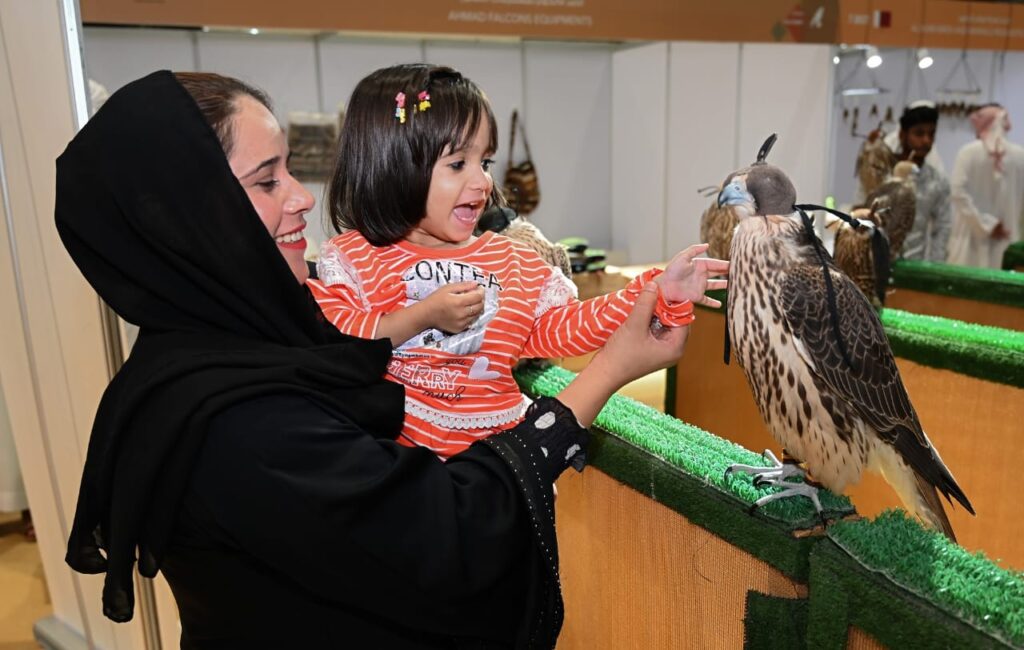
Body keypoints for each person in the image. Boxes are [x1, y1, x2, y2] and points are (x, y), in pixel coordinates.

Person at [55, 70, 701, 648]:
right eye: (266, 179)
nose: (303, 196)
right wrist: (607, 373)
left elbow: (378, 348)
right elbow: (452, 532)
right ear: (191, 214)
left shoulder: (237, 344)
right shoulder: (240, 425)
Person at [308, 64, 728, 458]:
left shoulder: (513, 261)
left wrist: (652, 291)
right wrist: (421, 316)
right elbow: (345, 342)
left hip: (505, 460)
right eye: (458, 164)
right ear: (392, 167)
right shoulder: (357, 259)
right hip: (400, 467)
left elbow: (557, 330)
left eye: (485, 162)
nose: (483, 181)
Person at [856, 100, 952, 262]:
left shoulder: (938, 181)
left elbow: (943, 228)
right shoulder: (880, 173)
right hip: (874, 263)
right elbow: (859, 209)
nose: (926, 141)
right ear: (902, 134)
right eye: (919, 133)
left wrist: (934, 269)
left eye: (931, 134)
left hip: (914, 267)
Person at [947, 104, 1024, 268]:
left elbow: (957, 193)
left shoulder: (967, 153)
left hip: (969, 246)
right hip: (1008, 243)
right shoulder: (1020, 156)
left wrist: (986, 225)